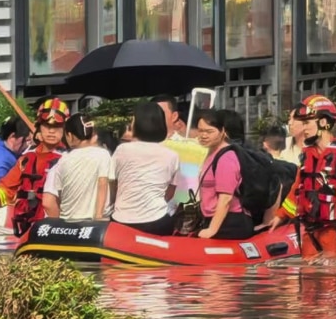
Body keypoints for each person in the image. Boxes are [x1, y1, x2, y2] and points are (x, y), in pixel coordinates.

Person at [261, 95, 336, 259]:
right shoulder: (308, 154)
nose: (304, 129)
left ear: (323, 123)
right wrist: (281, 215)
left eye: (307, 123)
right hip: (311, 232)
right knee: (310, 278)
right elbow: (298, 189)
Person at [0, 98, 69, 236]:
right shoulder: (27, 158)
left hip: (56, 226)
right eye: (46, 126)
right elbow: (8, 186)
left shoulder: (68, 159)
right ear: (39, 127)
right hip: (27, 225)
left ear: (64, 130)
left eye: (57, 127)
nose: (51, 131)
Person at [110, 102, 180, 236]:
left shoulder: (122, 149)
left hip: (122, 219)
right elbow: (170, 192)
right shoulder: (172, 155)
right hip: (157, 220)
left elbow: (113, 184)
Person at [192, 109, 253, 240]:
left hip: (229, 221)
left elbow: (225, 199)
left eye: (209, 131)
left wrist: (212, 230)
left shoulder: (226, 158)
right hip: (213, 218)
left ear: (223, 131)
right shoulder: (211, 152)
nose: (203, 135)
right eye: (200, 130)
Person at [42, 113, 114, 221]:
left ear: (69, 136)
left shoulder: (63, 160)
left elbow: (58, 195)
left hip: (67, 222)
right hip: (94, 223)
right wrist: (99, 215)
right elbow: (102, 183)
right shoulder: (102, 154)